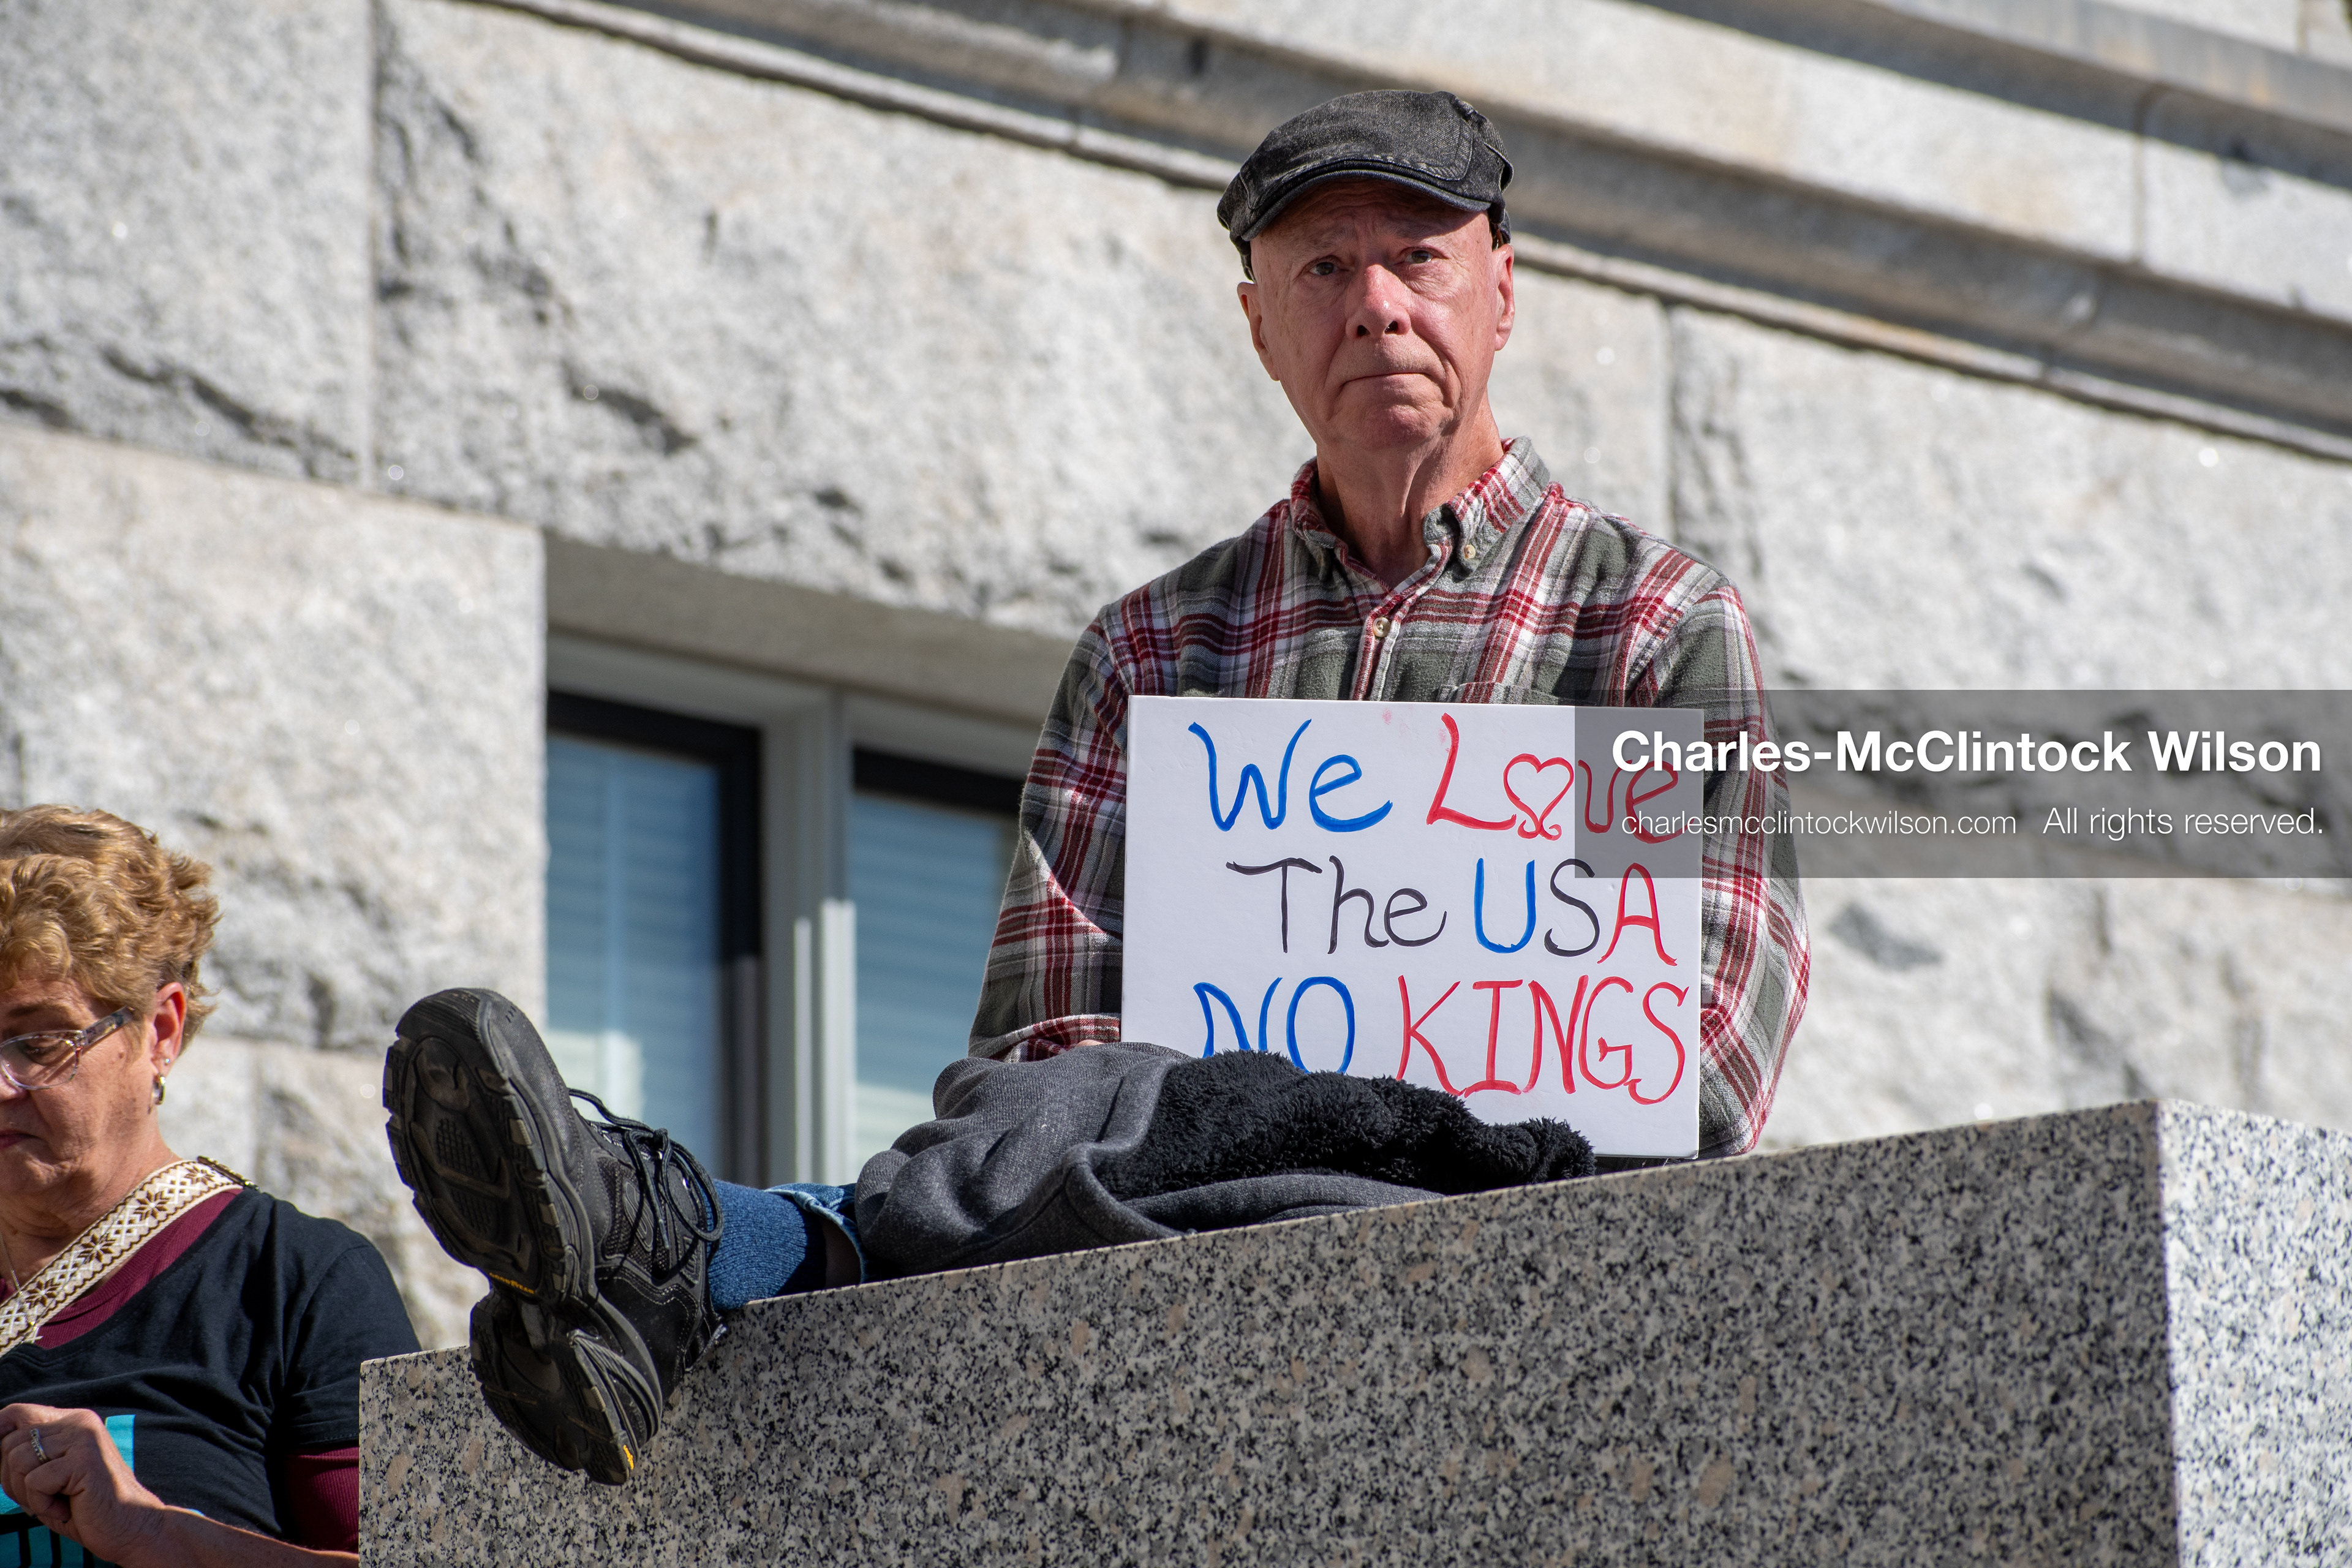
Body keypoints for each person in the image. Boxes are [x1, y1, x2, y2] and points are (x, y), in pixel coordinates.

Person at [385, 88, 1804, 1488]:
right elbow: (1045, 1053)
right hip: (1161, 1202)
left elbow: (1687, 1056)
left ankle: (663, 1242)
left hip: (1491, 1231)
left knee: (934, 1208)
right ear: (1257, 322)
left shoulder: (1641, 625)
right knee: (1011, 1152)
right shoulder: (1152, 649)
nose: (1373, 303)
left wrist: (1337, 1117)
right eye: (1321, 266)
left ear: (1500, 290)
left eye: (1415, 258)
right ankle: (646, 1243)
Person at [0, 806, 421, 1566]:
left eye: (38, 1042)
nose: (2, 1085)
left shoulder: (295, 1280)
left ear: (160, 1030)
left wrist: (155, 1533)